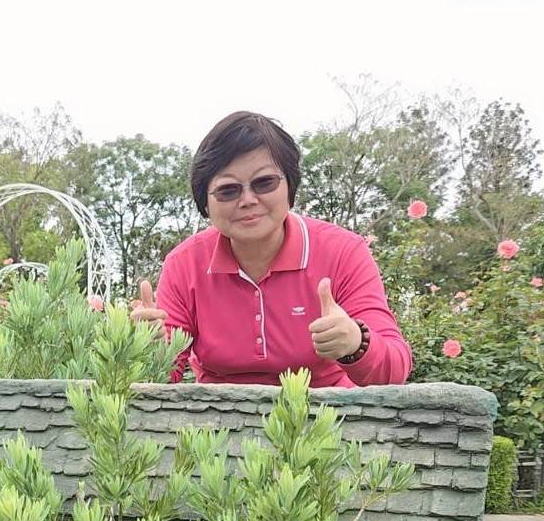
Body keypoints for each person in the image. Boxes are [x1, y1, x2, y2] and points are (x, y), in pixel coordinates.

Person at [131, 111, 412, 387]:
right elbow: (160, 379)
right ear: (205, 202)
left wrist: (355, 344)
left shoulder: (342, 252)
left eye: (264, 182)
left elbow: (394, 370)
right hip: (218, 415)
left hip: (327, 412)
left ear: (290, 185)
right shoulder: (185, 263)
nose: (248, 200)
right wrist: (147, 349)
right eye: (228, 190)